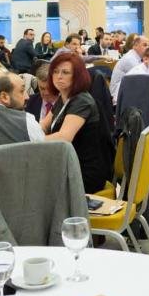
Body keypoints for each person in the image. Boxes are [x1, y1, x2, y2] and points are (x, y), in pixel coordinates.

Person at [40, 52, 114, 193]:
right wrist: (29, 132)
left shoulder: (82, 101)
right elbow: (44, 125)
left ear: (77, 76)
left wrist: (33, 140)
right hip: (68, 165)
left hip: (84, 173)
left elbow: (64, 137)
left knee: (34, 183)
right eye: (55, 71)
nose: (59, 76)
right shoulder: (63, 98)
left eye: (65, 72)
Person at [110, 34, 149, 101]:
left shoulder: (136, 57)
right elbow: (143, 78)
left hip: (126, 91)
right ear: (135, 46)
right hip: (117, 96)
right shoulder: (130, 59)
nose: (148, 48)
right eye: (145, 45)